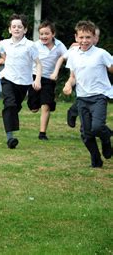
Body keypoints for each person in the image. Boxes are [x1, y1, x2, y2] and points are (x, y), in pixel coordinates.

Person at [0, 14, 42, 149]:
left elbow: (38, 64)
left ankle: (11, 118)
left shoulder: (30, 45)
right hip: (7, 79)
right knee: (9, 104)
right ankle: (10, 138)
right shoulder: (4, 43)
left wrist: (37, 79)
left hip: (24, 83)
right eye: (14, 27)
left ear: (25, 30)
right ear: (9, 29)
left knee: (14, 107)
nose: (16, 29)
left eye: (19, 27)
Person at [63, 20, 112, 168]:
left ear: (94, 38)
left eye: (88, 37)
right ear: (76, 37)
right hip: (82, 98)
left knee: (97, 127)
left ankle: (106, 140)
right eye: (81, 37)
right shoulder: (73, 55)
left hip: (99, 96)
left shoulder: (101, 54)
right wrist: (67, 85)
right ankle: (96, 160)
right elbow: (73, 76)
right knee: (86, 134)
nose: (84, 41)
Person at [52, 27, 101, 128]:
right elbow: (63, 58)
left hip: (93, 85)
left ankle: (96, 128)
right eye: (83, 37)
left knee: (91, 104)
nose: (87, 39)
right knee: (83, 100)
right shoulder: (76, 48)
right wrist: (56, 72)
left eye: (95, 37)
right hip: (76, 78)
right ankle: (73, 113)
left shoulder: (99, 53)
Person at [26, 21, 67, 140]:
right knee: (34, 108)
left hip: (49, 79)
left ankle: (42, 133)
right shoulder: (35, 45)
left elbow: (67, 55)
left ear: (53, 34)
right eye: (41, 34)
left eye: (47, 34)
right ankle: (38, 101)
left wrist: (75, 46)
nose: (44, 36)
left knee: (46, 105)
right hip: (34, 77)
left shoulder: (59, 45)